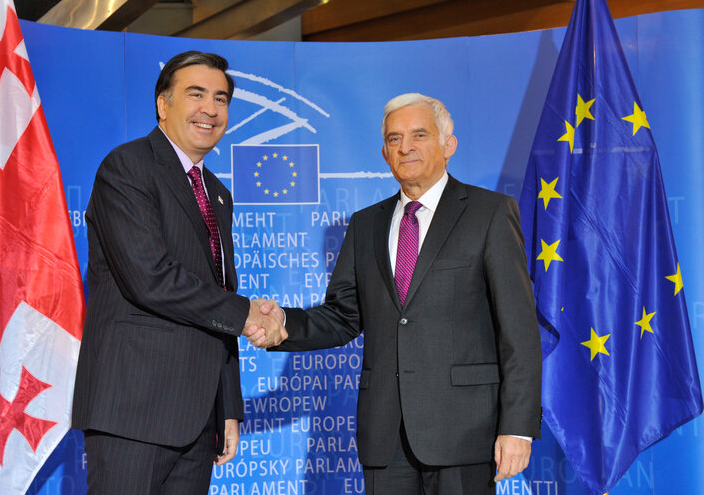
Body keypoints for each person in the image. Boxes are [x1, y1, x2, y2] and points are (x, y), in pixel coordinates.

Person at [247, 93, 542, 494]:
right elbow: (342, 316)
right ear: (384, 153)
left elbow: (519, 331)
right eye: (394, 138)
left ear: (447, 145)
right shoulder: (366, 224)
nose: (405, 147)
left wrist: (518, 428)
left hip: (464, 434)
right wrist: (284, 325)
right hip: (385, 437)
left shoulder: (489, 213)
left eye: (419, 135)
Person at [72, 51, 285, 494]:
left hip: (196, 417)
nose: (211, 108)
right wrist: (249, 313)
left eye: (221, 98)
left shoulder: (217, 194)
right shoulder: (128, 167)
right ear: (163, 105)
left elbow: (216, 298)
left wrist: (227, 404)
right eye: (196, 94)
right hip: (133, 411)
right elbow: (151, 278)